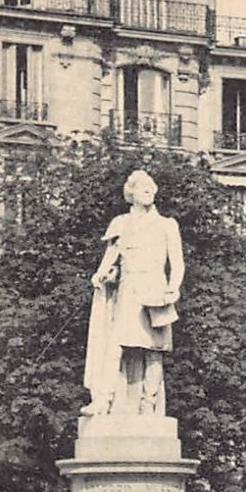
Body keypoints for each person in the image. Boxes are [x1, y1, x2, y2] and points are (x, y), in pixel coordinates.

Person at [83, 169, 184, 417]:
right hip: (129, 292)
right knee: (115, 346)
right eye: (142, 187)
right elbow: (110, 258)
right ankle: (103, 400)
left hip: (156, 292)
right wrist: (101, 275)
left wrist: (173, 288)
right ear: (131, 193)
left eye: (151, 186)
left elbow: (178, 263)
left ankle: (148, 406)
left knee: (154, 351)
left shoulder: (166, 225)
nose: (149, 190)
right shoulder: (121, 223)